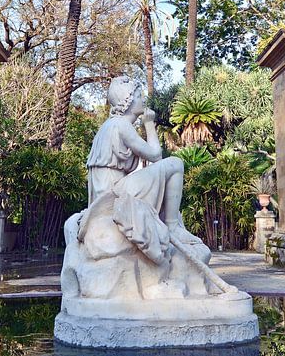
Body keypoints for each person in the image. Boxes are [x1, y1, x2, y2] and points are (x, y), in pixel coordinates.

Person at [83, 76, 200, 264]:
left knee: (168, 171)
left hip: (111, 192)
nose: (143, 99)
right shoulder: (121, 124)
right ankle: (172, 227)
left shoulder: (110, 125)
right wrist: (149, 124)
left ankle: (172, 224)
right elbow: (155, 155)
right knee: (175, 164)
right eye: (138, 95)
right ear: (127, 101)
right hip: (115, 196)